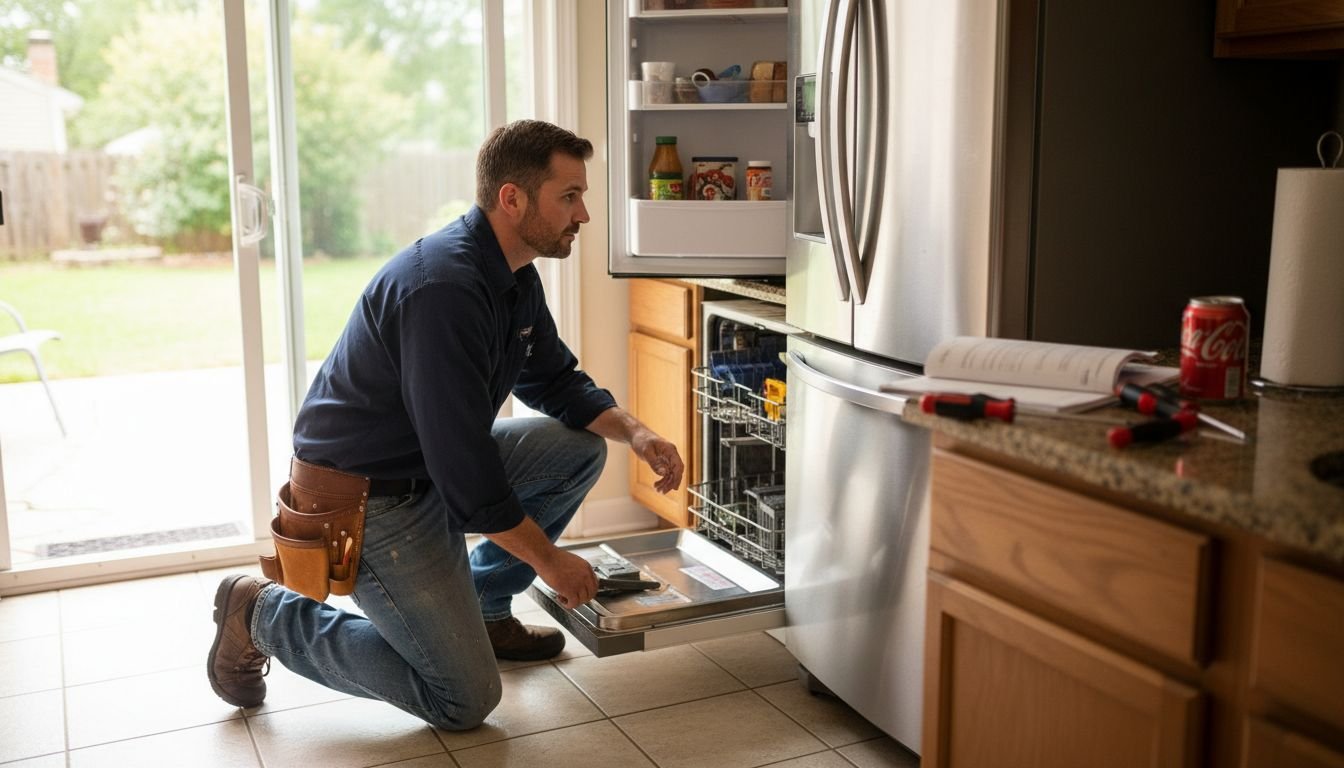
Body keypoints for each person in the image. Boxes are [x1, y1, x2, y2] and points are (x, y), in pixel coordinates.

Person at [206, 119, 685, 730]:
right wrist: (550, 561)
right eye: (569, 196)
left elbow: (555, 380)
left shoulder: (513, 275)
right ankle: (263, 615)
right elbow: (466, 471)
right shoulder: (443, 291)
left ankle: (483, 608)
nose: (583, 214)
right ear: (512, 199)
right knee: (464, 698)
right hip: (366, 500)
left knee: (578, 449)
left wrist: (637, 433)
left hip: (422, 471)